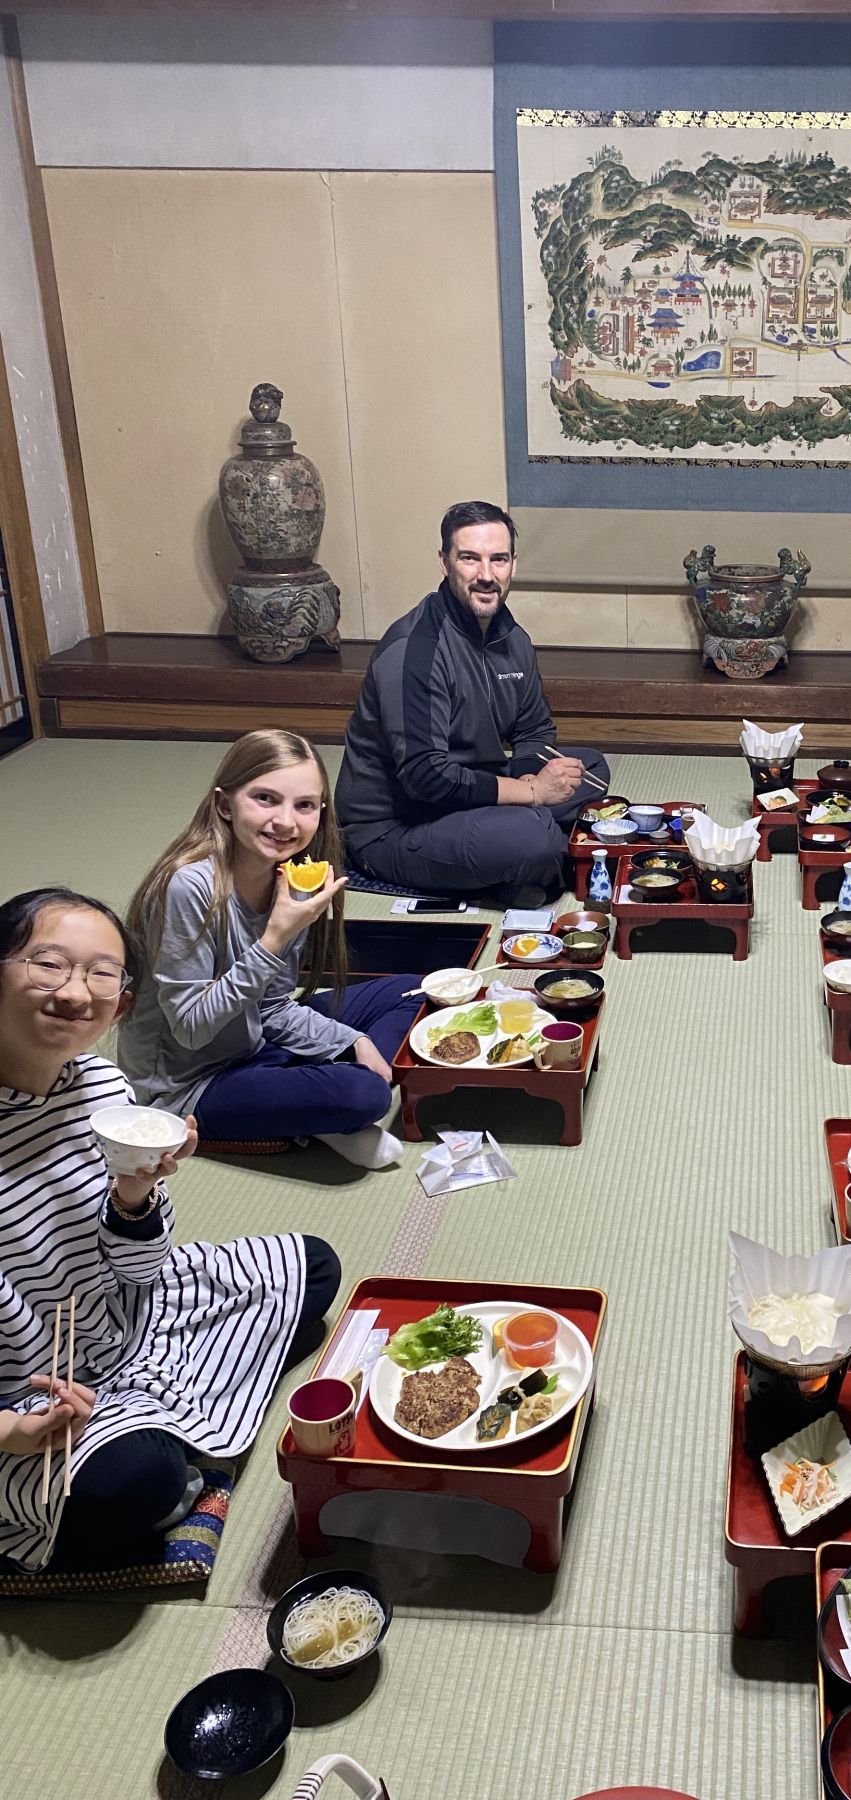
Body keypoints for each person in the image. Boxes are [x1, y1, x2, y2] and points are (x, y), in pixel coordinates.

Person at [0, 886, 341, 1572]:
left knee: (313, 1264)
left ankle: (164, 1425)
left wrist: (135, 1190)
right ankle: (170, 1446)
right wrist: (11, 1430)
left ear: (122, 999)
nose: (75, 993)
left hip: (124, 1316)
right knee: (132, 1484)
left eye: (101, 974)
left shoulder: (101, 1089)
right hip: (23, 1388)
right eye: (48, 964)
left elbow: (141, 1270)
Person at [120, 730, 421, 1168]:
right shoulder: (188, 885)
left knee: (414, 992)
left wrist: (352, 1040)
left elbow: (272, 1006)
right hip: (188, 1081)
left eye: (304, 806)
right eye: (265, 798)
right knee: (365, 1093)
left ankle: (306, 1102)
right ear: (225, 804)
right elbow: (190, 1027)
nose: (285, 822)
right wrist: (275, 938)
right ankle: (318, 1106)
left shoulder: (290, 875)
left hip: (253, 1039)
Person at [335, 500, 610, 902]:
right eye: (470, 559)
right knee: (532, 836)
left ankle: (519, 858)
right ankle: (531, 854)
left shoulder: (511, 638)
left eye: (498, 560)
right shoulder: (416, 651)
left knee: (589, 768)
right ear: (445, 563)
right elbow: (426, 776)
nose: (486, 575)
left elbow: (534, 731)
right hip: (397, 824)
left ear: (513, 564)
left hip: (469, 792)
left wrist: (538, 777)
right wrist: (531, 794)